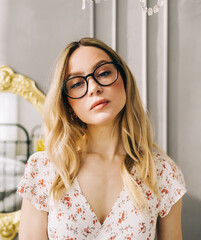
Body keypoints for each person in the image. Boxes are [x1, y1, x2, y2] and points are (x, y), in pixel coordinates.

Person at [17, 38, 186, 240]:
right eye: (77, 83)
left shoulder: (162, 172)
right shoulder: (44, 169)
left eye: (104, 73)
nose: (94, 87)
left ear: (124, 80)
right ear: (67, 104)